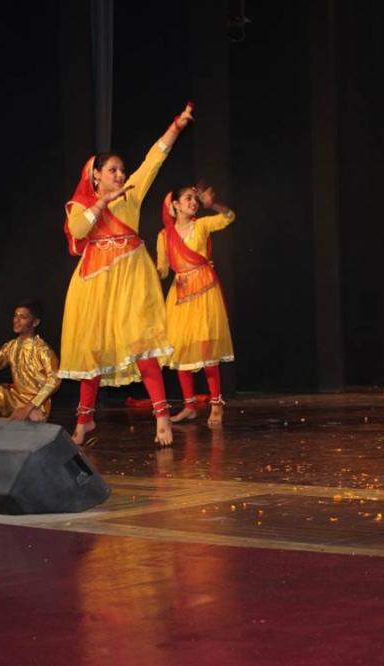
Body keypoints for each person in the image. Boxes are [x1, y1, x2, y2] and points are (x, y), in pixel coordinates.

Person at [59, 103, 195, 447]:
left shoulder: (131, 193)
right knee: (92, 349)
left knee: (142, 343)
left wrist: (176, 127)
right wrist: (102, 203)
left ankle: (162, 416)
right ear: (96, 175)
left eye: (121, 170)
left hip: (131, 277)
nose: (120, 175)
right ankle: (85, 420)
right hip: (93, 282)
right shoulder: (81, 205)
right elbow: (78, 229)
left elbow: (154, 159)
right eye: (112, 170)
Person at [156, 184, 236, 425]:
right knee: (180, 348)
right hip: (180, 294)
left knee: (206, 349)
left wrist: (214, 205)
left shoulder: (201, 225)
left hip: (205, 292)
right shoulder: (164, 236)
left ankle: (216, 405)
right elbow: (163, 269)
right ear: (175, 205)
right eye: (188, 198)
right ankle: (189, 406)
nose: (194, 203)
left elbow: (229, 217)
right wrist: (148, 272)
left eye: (195, 199)